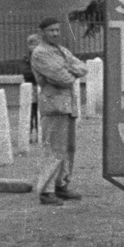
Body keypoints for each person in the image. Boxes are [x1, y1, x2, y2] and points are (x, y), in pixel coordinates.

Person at [31, 17, 88, 206]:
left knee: (68, 149)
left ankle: (61, 185)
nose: (55, 33)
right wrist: (69, 71)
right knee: (53, 149)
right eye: (50, 31)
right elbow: (62, 78)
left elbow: (83, 67)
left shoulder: (62, 50)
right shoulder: (40, 53)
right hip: (53, 106)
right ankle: (46, 191)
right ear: (42, 33)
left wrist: (68, 69)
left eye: (57, 30)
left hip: (67, 105)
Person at [22, 32, 42, 142]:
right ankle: (28, 135)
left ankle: (41, 134)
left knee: (41, 113)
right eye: (32, 44)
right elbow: (26, 73)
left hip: (41, 88)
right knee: (30, 113)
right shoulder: (26, 59)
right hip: (30, 88)